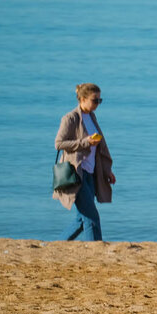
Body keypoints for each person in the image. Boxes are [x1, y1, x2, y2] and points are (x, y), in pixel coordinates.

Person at [54, 83, 116, 241]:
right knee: (91, 217)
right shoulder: (70, 118)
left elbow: (99, 148)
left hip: (91, 173)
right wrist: (84, 142)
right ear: (82, 99)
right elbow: (59, 144)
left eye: (100, 101)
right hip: (76, 174)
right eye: (95, 100)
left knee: (82, 220)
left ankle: (57, 245)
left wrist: (106, 171)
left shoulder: (91, 117)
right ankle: (96, 248)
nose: (97, 104)